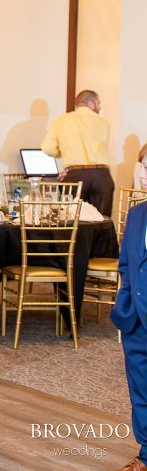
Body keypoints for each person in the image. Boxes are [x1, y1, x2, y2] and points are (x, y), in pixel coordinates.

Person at [110, 201, 147, 471]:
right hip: (135, 319)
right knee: (140, 391)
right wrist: (124, 305)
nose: (145, 175)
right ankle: (146, 454)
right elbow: (126, 265)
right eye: (144, 168)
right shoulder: (136, 213)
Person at [41, 89, 115, 216]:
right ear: (91, 104)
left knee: (72, 218)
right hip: (101, 176)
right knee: (101, 220)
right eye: (98, 103)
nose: (99, 107)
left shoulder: (61, 121)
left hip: (76, 175)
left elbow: (47, 148)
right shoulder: (104, 123)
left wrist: (63, 152)